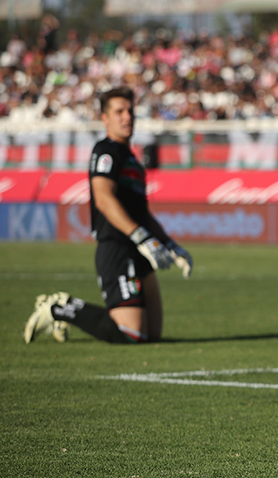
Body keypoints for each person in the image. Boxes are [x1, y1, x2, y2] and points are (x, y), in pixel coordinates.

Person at [25, 87, 192, 345]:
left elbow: (143, 214)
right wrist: (141, 237)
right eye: (119, 112)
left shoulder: (132, 160)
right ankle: (61, 307)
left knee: (151, 335)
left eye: (130, 111)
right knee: (131, 333)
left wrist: (171, 245)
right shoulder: (106, 151)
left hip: (138, 246)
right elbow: (103, 199)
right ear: (104, 118)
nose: (127, 117)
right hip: (117, 246)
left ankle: (66, 312)